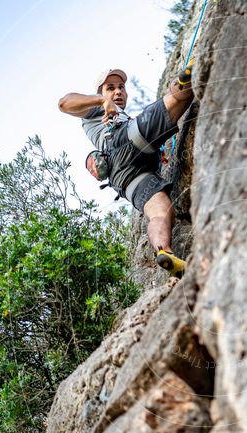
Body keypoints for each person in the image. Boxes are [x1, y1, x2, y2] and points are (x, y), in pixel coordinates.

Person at [58, 60, 194, 277]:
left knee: (160, 212)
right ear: (101, 93)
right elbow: (64, 103)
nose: (117, 91)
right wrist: (102, 101)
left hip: (126, 176)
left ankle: (164, 251)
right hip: (123, 142)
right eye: (110, 88)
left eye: (121, 87)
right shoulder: (94, 109)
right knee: (182, 96)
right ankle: (189, 74)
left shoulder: (119, 113)